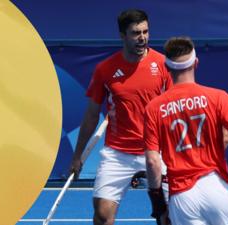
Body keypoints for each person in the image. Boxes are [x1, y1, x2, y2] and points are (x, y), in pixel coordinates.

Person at [69, 9, 172, 225]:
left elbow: (175, 110)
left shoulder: (163, 65)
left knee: (170, 215)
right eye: (136, 33)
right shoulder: (105, 69)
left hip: (157, 150)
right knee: (102, 215)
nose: (142, 38)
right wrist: (77, 155)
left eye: (145, 32)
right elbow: (91, 115)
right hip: (118, 153)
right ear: (122, 36)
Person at [143, 36, 228, 225]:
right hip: (219, 189)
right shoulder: (219, 97)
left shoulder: (154, 108)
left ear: (167, 68)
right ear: (196, 63)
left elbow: (152, 161)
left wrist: (158, 205)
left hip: (182, 197)